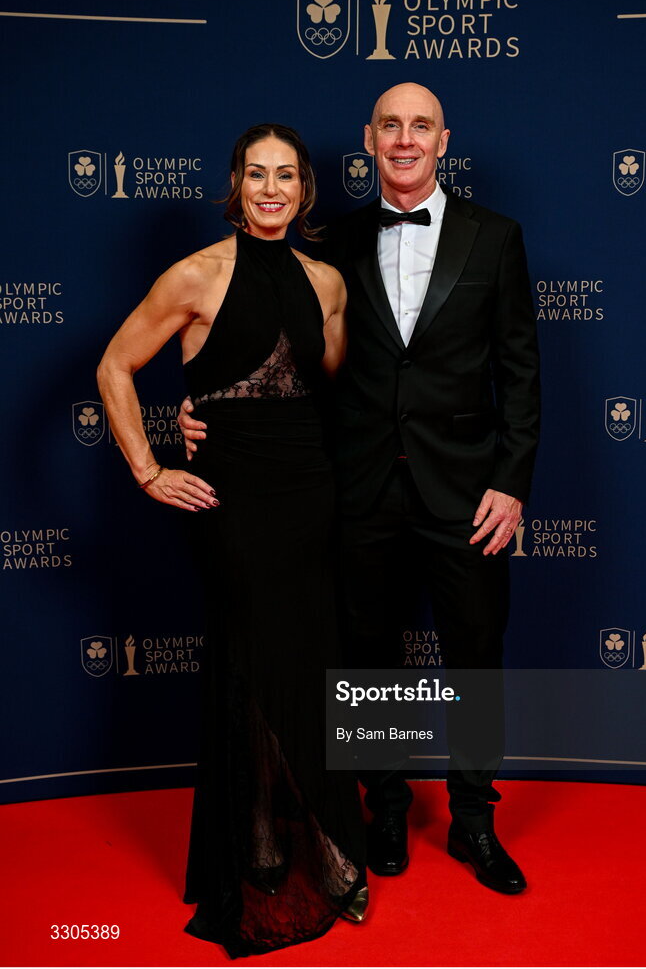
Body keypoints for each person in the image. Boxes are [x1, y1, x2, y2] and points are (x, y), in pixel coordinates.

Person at [181, 84, 540, 896]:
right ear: (368, 140)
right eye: (390, 127)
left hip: (468, 495)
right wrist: (197, 398)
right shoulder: (330, 242)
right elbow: (276, 345)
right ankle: (380, 807)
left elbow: (520, 373)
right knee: (366, 660)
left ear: (443, 140)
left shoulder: (497, 239)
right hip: (357, 489)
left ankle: (475, 822)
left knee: (475, 660)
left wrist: (510, 483)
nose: (404, 140)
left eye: (420, 127)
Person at [97, 123, 367, 959]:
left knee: (310, 661)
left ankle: (322, 836)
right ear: (236, 184)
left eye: (287, 176)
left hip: (310, 495)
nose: (272, 190)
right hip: (232, 498)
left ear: (305, 189)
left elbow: (328, 392)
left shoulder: (326, 282)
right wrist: (148, 468)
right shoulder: (194, 274)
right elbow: (114, 366)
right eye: (258, 175)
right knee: (251, 659)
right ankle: (256, 841)